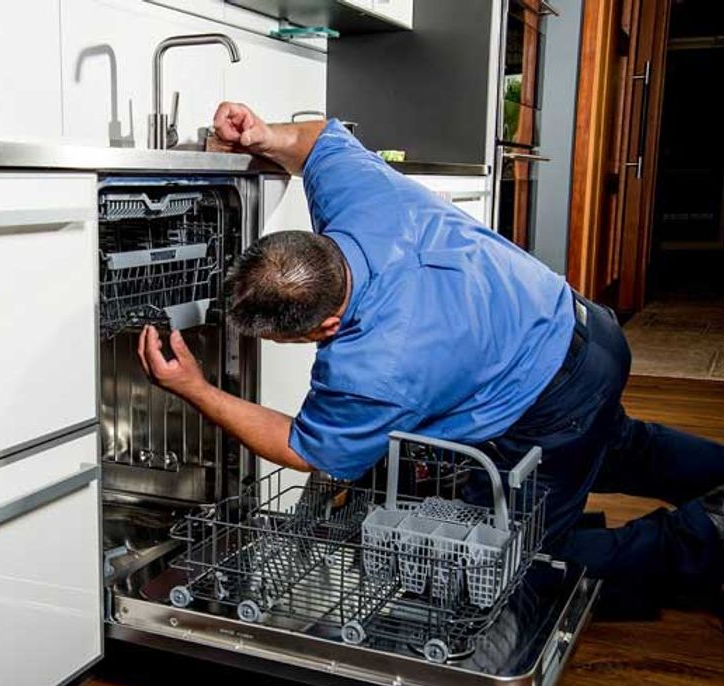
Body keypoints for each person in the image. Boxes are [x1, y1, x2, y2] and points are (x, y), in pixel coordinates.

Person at [138, 101, 724, 611]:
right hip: (587, 330)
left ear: (327, 326)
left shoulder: (373, 367)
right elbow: (318, 140)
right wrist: (266, 135)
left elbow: (303, 448)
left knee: (509, 563)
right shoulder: (356, 197)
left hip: (550, 396)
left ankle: (704, 540)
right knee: (616, 444)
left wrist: (196, 388)